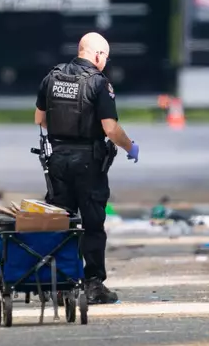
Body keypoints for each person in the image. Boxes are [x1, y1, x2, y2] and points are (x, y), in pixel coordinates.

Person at [34, 32, 139, 304]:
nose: (105, 62)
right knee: (92, 224)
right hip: (88, 163)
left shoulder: (52, 77)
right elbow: (110, 129)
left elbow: (40, 119)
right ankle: (93, 285)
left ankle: (59, 284)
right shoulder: (98, 84)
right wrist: (130, 147)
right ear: (97, 55)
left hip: (56, 161)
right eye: (106, 56)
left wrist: (63, 135)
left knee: (60, 221)